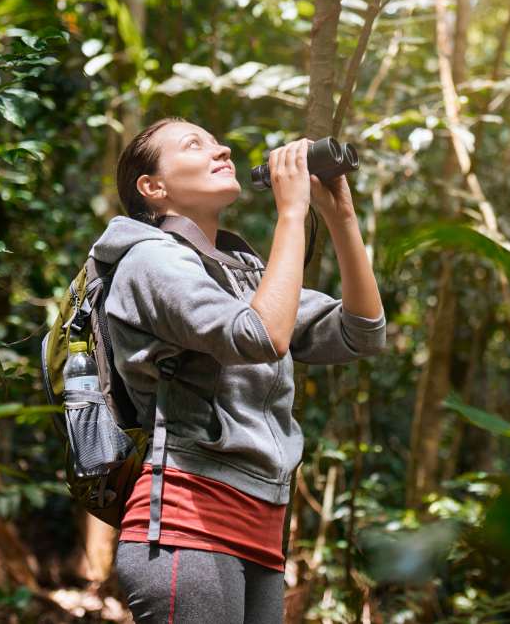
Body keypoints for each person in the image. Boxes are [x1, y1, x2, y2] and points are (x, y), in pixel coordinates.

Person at [90, 117, 386, 623]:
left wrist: (341, 219)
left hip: (261, 525)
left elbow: (362, 332)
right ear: (153, 187)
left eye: (216, 140)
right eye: (194, 144)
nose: (220, 148)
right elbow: (260, 336)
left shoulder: (239, 273)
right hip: (187, 521)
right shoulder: (148, 263)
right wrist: (291, 214)